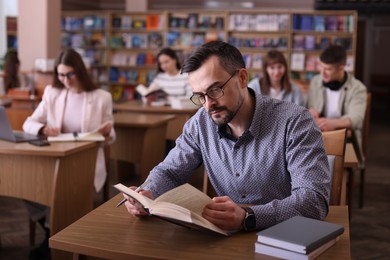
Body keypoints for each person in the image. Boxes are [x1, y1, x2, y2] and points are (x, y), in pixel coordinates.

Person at [123, 41, 331, 232]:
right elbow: (170, 172)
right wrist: (147, 193)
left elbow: (313, 200)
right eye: (200, 96)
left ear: (242, 78)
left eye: (214, 90)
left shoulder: (295, 121)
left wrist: (249, 216)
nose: (207, 105)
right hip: (226, 237)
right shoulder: (200, 123)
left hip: (287, 236)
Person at [23, 48, 116, 191]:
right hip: (57, 156)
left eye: (70, 74)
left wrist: (107, 132)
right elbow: (28, 123)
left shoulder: (102, 97)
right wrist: (42, 128)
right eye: (61, 75)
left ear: (80, 71)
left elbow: (111, 136)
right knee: (31, 182)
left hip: (86, 158)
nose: (66, 80)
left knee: (60, 189)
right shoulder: (52, 93)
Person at [307, 45, 367, 161]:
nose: (322, 73)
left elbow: (357, 119)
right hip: (320, 137)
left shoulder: (358, 88)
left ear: (341, 68)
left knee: (335, 168)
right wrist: (311, 111)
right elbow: (309, 106)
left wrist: (332, 123)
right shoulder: (316, 81)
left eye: (328, 69)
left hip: (346, 140)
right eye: (321, 67)